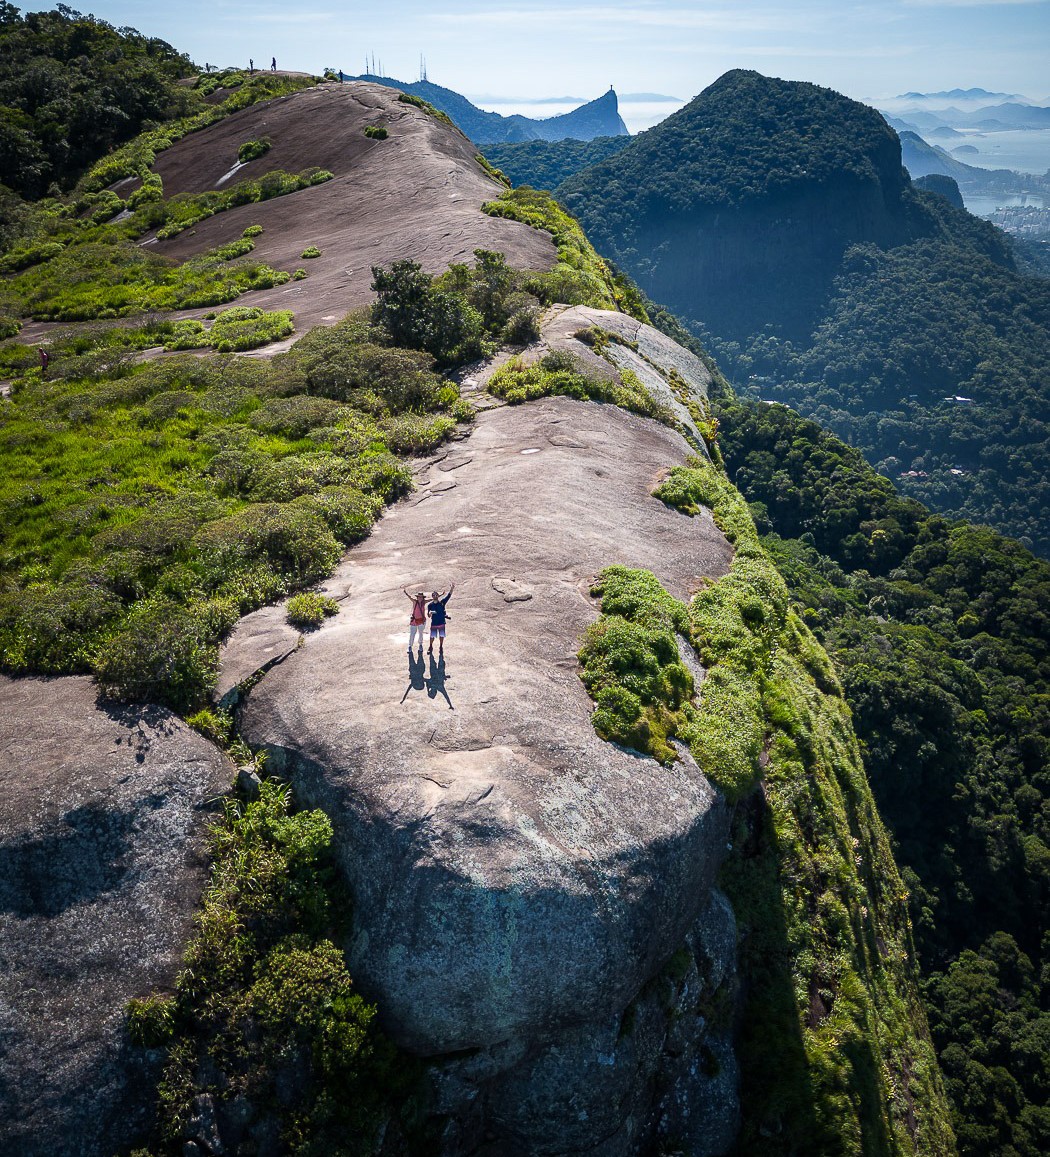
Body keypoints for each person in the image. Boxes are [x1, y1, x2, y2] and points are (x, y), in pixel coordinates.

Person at [427, 582, 454, 658]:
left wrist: (452, 588)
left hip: (441, 622)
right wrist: (430, 613)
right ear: (432, 597)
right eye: (433, 595)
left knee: (441, 636)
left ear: (438, 596)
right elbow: (428, 615)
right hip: (434, 623)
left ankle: (441, 647)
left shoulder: (442, 602)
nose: (435, 596)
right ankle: (430, 646)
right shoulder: (430, 605)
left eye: (436, 595)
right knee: (432, 636)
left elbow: (449, 596)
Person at [403, 587, 428, 652]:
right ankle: (410, 646)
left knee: (420, 633)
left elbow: (432, 599)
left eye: (421, 597)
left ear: (423, 598)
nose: (420, 598)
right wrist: (405, 593)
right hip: (414, 620)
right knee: (412, 634)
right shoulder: (415, 602)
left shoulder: (424, 602)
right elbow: (410, 597)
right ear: (417, 597)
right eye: (419, 597)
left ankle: (420, 645)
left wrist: (440, 595)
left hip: (421, 620)